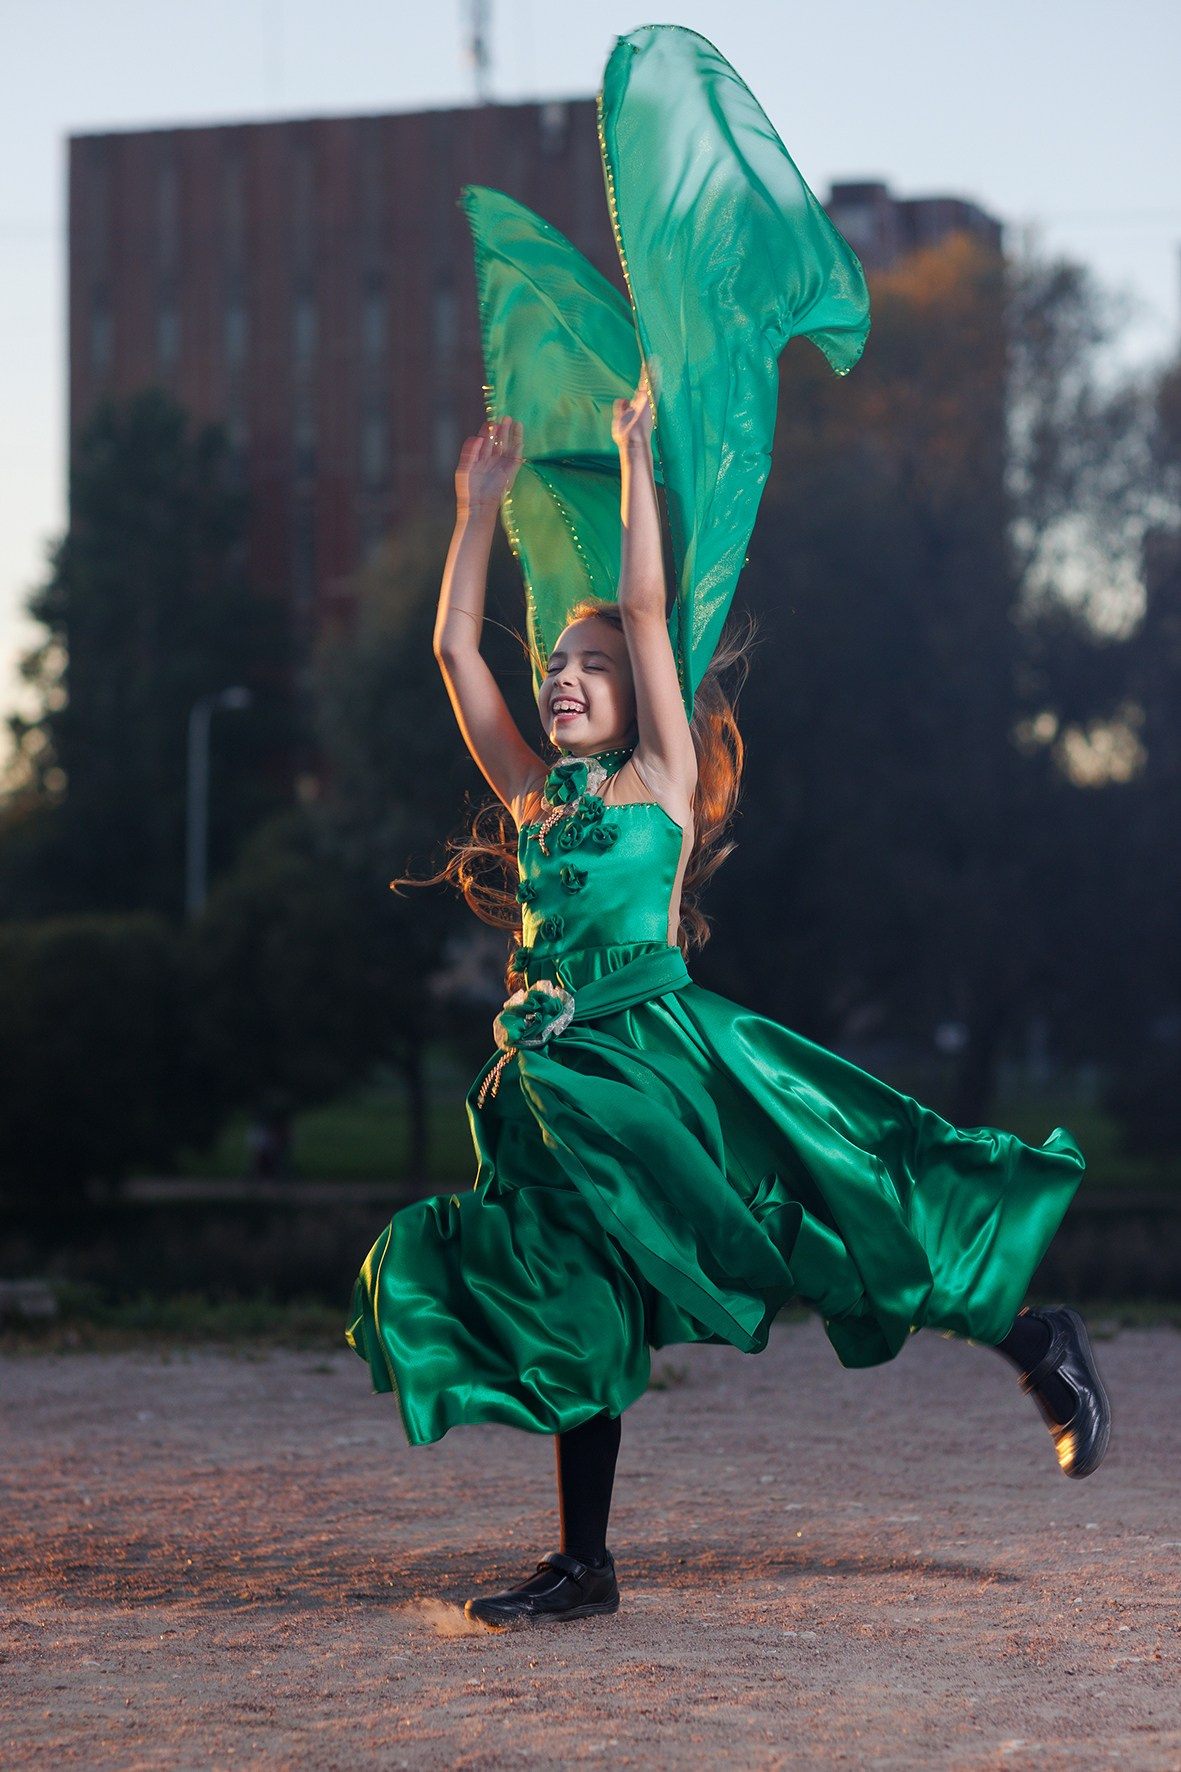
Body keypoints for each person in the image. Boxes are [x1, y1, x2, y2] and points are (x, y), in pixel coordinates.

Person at [348, 385, 1110, 1631]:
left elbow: (645, 606)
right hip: (554, 1089)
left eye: (586, 668)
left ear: (638, 697)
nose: (560, 679)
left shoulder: (660, 782)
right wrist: (471, 511)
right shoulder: (538, 799)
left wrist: (635, 462)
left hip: (670, 1070)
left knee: (836, 1217)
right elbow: (448, 651)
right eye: (554, 664)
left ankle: (1034, 1340)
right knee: (577, 1297)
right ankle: (583, 1563)